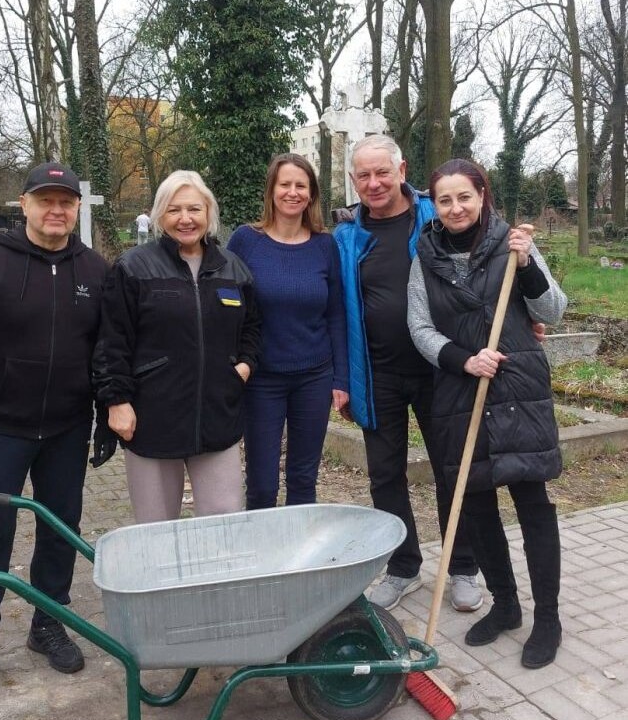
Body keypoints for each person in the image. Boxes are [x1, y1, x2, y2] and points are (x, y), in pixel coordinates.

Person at [0, 162, 112, 714]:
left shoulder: (96, 270)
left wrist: (105, 418)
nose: (56, 210)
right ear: (25, 204)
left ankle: (48, 624)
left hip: (65, 429)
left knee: (61, 530)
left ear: (77, 208)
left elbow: (107, 352)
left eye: (66, 201)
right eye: (45, 200)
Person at [408, 158, 567, 668]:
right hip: (460, 392)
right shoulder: (424, 255)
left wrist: (529, 268)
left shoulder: (513, 243)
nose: (455, 208)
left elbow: (552, 312)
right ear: (434, 204)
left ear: (482, 196)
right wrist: (463, 359)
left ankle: (547, 618)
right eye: (445, 199)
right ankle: (506, 606)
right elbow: (420, 327)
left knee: (530, 499)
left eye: (465, 197)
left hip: (517, 389)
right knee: (475, 503)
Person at [333, 135, 481, 612]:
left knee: (451, 469)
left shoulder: (434, 215)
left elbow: (483, 267)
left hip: (441, 370)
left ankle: (463, 567)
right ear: (354, 180)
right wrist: (340, 377)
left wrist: (522, 316)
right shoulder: (347, 237)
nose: (373, 183)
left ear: (402, 169)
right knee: (385, 476)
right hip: (377, 376)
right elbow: (332, 309)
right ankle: (403, 568)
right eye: (363, 175)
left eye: (382, 172)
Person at [96, 170, 260, 523]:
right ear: (159, 216)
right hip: (152, 419)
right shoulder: (134, 267)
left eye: (194, 209)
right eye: (174, 210)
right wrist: (117, 401)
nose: (185, 219)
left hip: (218, 417)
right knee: (156, 529)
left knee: (224, 522)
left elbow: (252, 328)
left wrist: (244, 366)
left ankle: (214, 581)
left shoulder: (233, 269)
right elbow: (112, 341)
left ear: (208, 213)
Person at [226, 154, 348, 509]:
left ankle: (299, 559)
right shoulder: (246, 241)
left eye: (301, 186)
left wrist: (340, 379)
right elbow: (227, 308)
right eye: (285, 184)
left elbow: (336, 313)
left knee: (303, 479)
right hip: (261, 378)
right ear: (271, 190)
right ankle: (264, 559)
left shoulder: (326, 245)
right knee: (262, 484)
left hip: (314, 377)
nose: (292, 192)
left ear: (311, 194)